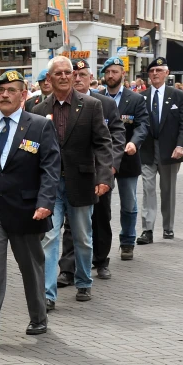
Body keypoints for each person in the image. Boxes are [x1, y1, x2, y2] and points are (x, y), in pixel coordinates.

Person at [0, 70, 60, 350]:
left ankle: (38, 316)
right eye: (0, 90)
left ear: (23, 95)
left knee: (30, 267)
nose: (4, 94)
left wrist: (45, 203)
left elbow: (50, 168)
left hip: (27, 209)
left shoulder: (40, 125)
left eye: (11, 90)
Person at [31, 56, 113, 310]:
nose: (66, 77)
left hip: (82, 180)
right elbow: (33, 149)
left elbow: (102, 142)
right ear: (50, 79)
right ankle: (48, 294)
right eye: (60, 73)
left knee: (82, 236)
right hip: (50, 185)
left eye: (69, 72)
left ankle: (84, 281)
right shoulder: (36, 110)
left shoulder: (91, 105)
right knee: (49, 237)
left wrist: (104, 176)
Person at [59, 59, 125, 281]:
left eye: (82, 75)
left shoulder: (103, 103)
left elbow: (116, 137)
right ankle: (68, 269)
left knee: (100, 218)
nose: (77, 79)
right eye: (74, 75)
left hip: (99, 173)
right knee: (71, 223)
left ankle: (101, 260)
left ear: (91, 78)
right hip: (74, 173)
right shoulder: (62, 103)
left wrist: (111, 167)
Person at [99, 57, 150, 262]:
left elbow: (143, 125)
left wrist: (134, 143)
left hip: (128, 159)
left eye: (115, 72)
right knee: (102, 205)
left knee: (128, 203)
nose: (111, 75)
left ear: (123, 74)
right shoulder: (96, 99)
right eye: (108, 72)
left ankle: (127, 241)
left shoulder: (135, 99)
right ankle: (101, 246)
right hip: (104, 161)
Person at [137, 57, 183, 244]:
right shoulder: (141, 97)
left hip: (170, 150)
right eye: (152, 71)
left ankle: (168, 227)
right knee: (148, 189)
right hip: (147, 150)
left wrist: (180, 146)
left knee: (168, 190)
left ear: (167, 73)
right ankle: (147, 229)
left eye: (159, 70)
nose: (155, 74)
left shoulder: (178, 96)